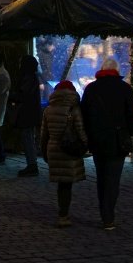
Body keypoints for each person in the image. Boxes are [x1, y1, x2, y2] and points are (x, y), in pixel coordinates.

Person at [80, 57, 133, 230]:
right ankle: (108, 216)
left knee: (101, 177)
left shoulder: (91, 88)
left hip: (97, 141)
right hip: (117, 140)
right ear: (117, 71)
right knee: (113, 179)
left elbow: (84, 114)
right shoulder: (124, 88)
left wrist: (90, 134)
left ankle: (104, 212)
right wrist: (126, 132)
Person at [39, 79, 88, 227]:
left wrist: (45, 152)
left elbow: (43, 135)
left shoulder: (48, 109)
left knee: (62, 184)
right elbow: (80, 131)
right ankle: (64, 215)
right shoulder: (74, 108)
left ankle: (63, 214)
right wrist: (85, 145)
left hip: (54, 149)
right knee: (67, 184)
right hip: (70, 148)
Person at [13, 54, 42, 177]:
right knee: (29, 137)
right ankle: (32, 164)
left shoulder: (28, 77)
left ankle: (32, 165)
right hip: (31, 112)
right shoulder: (33, 77)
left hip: (27, 112)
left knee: (27, 138)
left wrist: (12, 97)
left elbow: (23, 95)